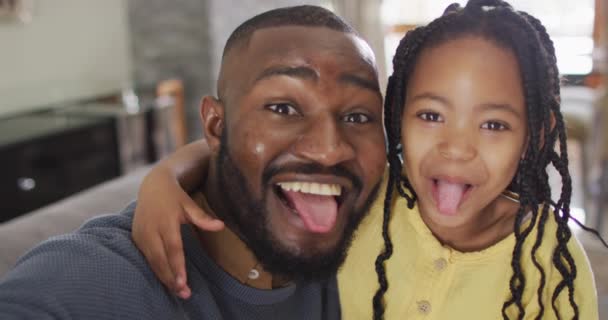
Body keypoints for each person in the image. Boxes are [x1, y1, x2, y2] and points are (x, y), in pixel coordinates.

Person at [132, 0, 607, 319]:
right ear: (396, 118)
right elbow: (246, 154)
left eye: (494, 125)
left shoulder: (551, 257)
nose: (457, 148)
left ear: (535, 135)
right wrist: (164, 179)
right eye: (431, 115)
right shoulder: (370, 200)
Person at [0, 6, 387, 319]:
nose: (330, 149)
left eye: (358, 117)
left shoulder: (384, 236)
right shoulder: (94, 278)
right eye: (283, 107)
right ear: (216, 125)